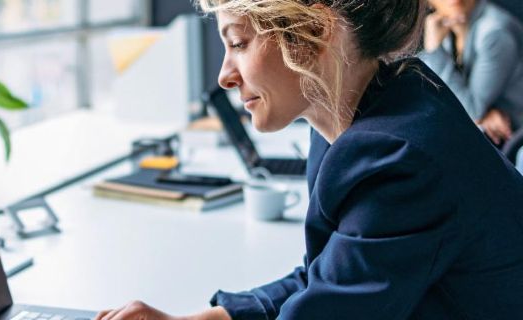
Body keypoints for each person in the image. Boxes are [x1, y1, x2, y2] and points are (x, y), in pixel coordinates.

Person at [95, 0, 523, 319]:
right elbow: (330, 275)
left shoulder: (398, 157)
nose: (224, 75)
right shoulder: (370, 110)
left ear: (314, 33)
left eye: (239, 43)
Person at [419, 0, 523, 145]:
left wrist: (434, 51)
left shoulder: (495, 33)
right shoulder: (446, 29)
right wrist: (482, 117)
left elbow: (470, 110)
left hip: (513, 143)